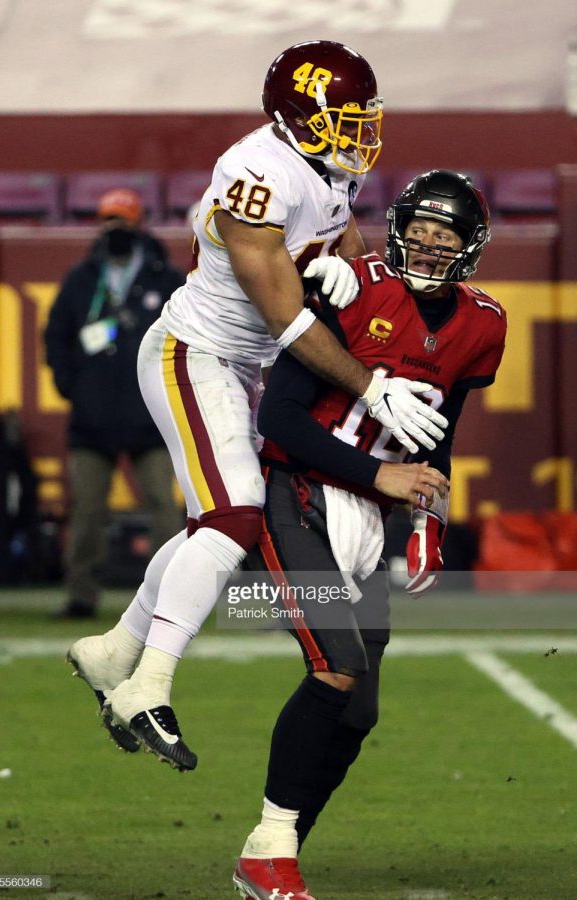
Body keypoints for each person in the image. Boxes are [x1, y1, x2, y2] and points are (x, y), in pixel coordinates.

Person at [67, 41, 448, 764]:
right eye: (348, 118)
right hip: (197, 354)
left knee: (213, 526)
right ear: (304, 118)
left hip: (251, 368)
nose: (362, 132)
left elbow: (347, 247)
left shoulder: (322, 168)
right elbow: (285, 319)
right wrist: (370, 383)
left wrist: (352, 274)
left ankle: (114, 648)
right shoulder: (256, 175)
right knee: (235, 513)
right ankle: (148, 682)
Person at [231, 169, 507, 900]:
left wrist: (429, 517)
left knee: (358, 708)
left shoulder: (483, 323)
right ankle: (268, 855)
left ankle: (277, 843)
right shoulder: (349, 286)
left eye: (443, 236)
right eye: (416, 229)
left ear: (469, 247)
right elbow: (280, 421)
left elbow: (434, 433)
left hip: (369, 520)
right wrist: (378, 477)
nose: (425, 244)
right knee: (337, 663)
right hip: (300, 496)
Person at [45, 188, 186, 619]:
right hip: (93, 418)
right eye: (109, 221)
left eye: (123, 221)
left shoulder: (165, 277)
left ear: (139, 224)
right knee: (87, 511)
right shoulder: (82, 278)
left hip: (151, 415)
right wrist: (73, 386)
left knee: (165, 508)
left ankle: (175, 596)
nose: (116, 230)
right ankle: (81, 595)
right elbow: (56, 336)